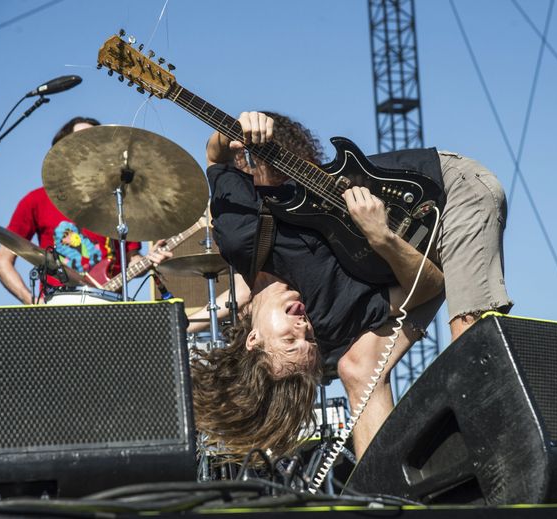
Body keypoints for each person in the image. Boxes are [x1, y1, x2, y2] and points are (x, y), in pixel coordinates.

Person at [190, 111, 512, 461]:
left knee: (467, 337)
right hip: (414, 250)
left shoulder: (241, 237)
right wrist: (383, 238)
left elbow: (216, 158)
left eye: (289, 339)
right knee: (357, 368)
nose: (303, 327)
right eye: (309, 339)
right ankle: (383, 496)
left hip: (449, 191)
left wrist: (234, 132)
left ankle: (498, 473)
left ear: (254, 340)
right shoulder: (326, 315)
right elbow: (427, 285)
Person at [0, 116, 170, 304]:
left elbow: (132, 260)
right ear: (63, 152)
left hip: (110, 307)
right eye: (82, 140)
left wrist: (149, 260)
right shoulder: (36, 200)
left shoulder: (118, 201)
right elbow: (1, 262)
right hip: (59, 308)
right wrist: (33, 302)